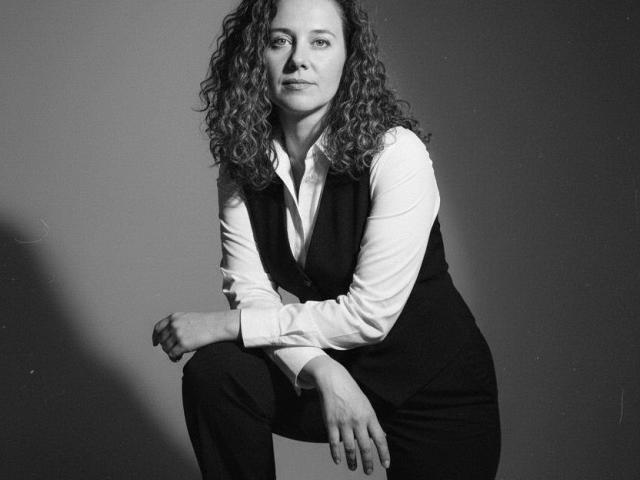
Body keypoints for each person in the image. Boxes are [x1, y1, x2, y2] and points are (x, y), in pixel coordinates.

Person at [152, 0, 501, 478]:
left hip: (433, 387)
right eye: (280, 40)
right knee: (217, 372)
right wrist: (323, 371)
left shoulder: (396, 154)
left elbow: (368, 315)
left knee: (227, 343)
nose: (299, 59)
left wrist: (226, 324)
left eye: (320, 41)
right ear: (255, 55)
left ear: (348, 57)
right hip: (333, 366)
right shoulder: (244, 162)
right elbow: (251, 291)